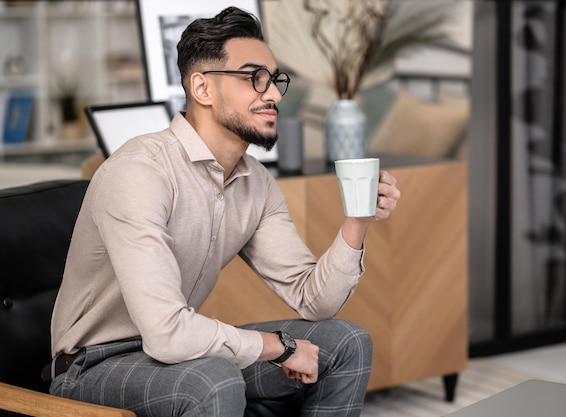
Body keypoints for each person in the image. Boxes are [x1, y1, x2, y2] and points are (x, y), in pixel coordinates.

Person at [47, 6, 400, 417]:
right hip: (94, 366)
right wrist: (279, 347)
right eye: (255, 78)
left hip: (177, 355)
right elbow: (166, 334)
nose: (272, 95)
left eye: (274, 80)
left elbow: (313, 301)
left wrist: (357, 221)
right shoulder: (140, 170)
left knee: (346, 343)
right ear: (202, 88)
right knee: (211, 379)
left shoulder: (256, 183)